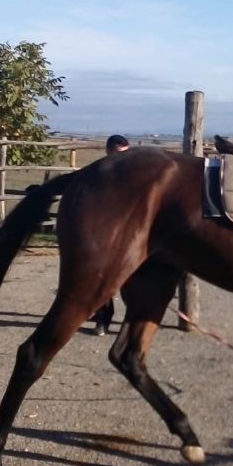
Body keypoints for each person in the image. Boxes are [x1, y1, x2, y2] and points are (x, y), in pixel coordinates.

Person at [92, 134, 130, 335]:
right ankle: (103, 319)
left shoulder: (134, 174)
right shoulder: (98, 174)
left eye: (125, 154)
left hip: (130, 234)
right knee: (102, 278)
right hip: (105, 234)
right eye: (118, 154)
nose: (122, 160)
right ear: (108, 151)